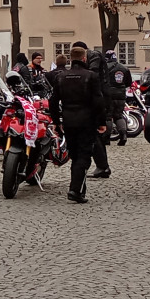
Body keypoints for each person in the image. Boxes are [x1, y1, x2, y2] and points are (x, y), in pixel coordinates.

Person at [49, 46, 107, 203]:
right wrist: (101, 122)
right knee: (84, 156)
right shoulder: (91, 76)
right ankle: (75, 190)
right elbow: (98, 101)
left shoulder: (61, 77)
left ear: (71, 58)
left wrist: (56, 121)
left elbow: (53, 102)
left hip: (68, 120)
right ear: (84, 58)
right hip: (86, 121)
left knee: (75, 156)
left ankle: (79, 189)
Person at [73, 40, 113, 178]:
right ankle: (102, 166)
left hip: (99, 96)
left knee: (95, 133)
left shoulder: (93, 55)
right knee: (95, 134)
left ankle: (103, 166)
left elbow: (93, 73)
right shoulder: (93, 56)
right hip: (99, 95)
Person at [105, 49, 133, 146]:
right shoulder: (124, 68)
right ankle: (123, 135)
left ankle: (106, 138)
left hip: (108, 94)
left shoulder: (105, 68)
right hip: (121, 94)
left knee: (108, 116)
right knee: (118, 115)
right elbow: (129, 82)